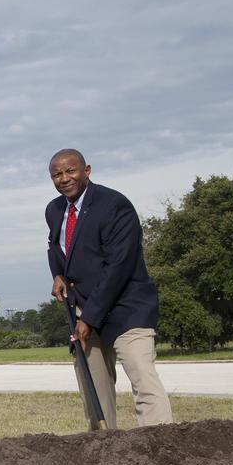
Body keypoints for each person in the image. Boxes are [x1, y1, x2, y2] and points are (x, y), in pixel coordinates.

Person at [46, 148, 172, 429]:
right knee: (93, 388)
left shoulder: (114, 205)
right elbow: (54, 246)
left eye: (71, 171)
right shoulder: (54, 210)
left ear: (87, 170)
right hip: (84, 309)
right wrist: (58, 275)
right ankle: (103, 447)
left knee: (143, 379)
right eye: (57, 174)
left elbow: (118, 266)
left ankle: (161, 444)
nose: (64, 178)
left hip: (126, 308)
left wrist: (89, 318)